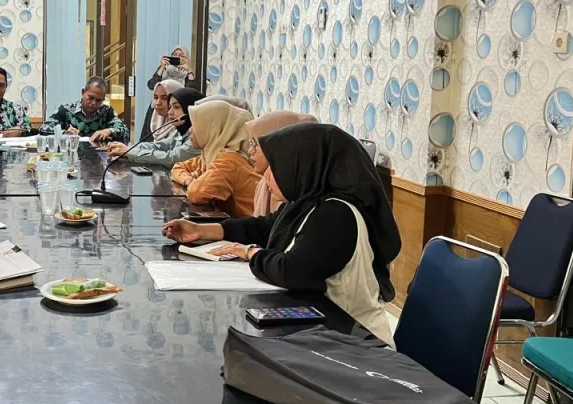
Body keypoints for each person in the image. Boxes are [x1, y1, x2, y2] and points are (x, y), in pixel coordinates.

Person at [162, 122, 399, 347]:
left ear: (301, 167)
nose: (266, 177)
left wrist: (249, 253)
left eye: (274, 168)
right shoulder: (306, 203)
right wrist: (201, 230)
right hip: (326, 331)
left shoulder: (335, 214)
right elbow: (264, 227)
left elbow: (291, 271)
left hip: (357, 342)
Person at [170, 100, 260, 217]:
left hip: (255, 227)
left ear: (213, 128)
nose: (190, 130)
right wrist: (189, 180)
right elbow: (178, 167)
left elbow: (197, 193)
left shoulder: (229, 161)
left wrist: (198, 182)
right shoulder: (211, 156)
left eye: (196, 124)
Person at [108, 87, 203, 167]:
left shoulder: (199, 136)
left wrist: (130, 153)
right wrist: (129, 149)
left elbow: (172, 158)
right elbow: (159, 146)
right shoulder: (180, 131)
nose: (170, 112)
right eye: (170, 107)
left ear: (191, 109)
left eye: (177, 107)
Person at [40, 76, 129, 143]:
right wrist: (64, 133)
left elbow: (125, 132)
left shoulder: (107, 111)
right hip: (71, 154)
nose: (93, 103)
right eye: (90, 97)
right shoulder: (66, 110)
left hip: (99, 156)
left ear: (103, 99)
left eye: (98, 100)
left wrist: (109, 131)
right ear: (83, 92)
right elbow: (43, 129)